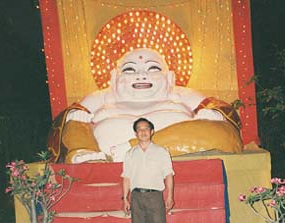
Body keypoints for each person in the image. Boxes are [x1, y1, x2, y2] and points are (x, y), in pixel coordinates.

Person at [47, 48, 243, 163]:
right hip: (104, 154)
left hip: (168, 151)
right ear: (115, 78)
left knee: (221, 132)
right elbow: (69, 119)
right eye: (130, 70)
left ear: (169, 77)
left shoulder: (179, 93)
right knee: (72, 123)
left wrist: (211, 113)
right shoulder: (104, 96)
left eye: (153, 68)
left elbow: (218, 109)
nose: (141, 75)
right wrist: (76, 115)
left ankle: (131, 151)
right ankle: (85, 154)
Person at [121, 117, 174, 223]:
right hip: (136, 196)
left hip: (155, 196)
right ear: (136, 133)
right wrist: (125, 198)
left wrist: (170, 196)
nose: (143, 131)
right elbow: (127, 177)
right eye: (139, 129)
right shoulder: (130, 154)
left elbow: (169, 175)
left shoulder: (161, 152)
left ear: (152, 132)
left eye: (146, 129)